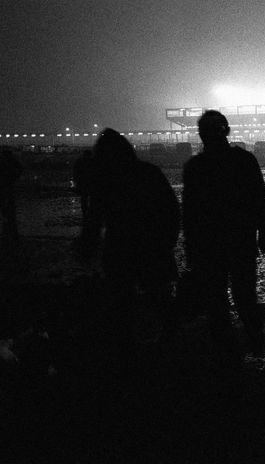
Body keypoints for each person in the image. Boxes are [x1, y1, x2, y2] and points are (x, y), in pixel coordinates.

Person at [80, 129, 180, 371]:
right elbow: (171, 210)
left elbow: (95, 217)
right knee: (160, 297)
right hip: (152, 247)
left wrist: (88, 245)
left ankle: (126, 352)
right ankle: (172, 346)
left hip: (120, 249)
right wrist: (167, 243)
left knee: (121, 301)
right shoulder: (148, 172)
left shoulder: (104, 180)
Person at [182, 110, 265, 361]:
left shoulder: (195, 167)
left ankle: (226, 352)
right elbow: (260, 197)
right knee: (244, 294)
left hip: (208, 245)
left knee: (216, 299)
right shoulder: (243, 160)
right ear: (227, 131)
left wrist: (190, 251)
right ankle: (256, 342)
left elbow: (189, 215)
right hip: (240, 240)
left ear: (201, 135)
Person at [0, 149, 22, 243]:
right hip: (8, 188)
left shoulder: (3, 161)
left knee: (6, 213)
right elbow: (19, 170)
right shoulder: (12, 161)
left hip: (4, 188)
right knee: (10, 214)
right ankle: (12, 234)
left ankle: (7, 234)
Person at [72, 149, 95, 226]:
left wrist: (76, 182)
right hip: (91, 183)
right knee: (91, 198)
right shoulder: (92, 161)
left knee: (84, 198)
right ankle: (90, 213)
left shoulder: (79, 161)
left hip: (82, 183)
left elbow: (75, 173)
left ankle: (85, 213)